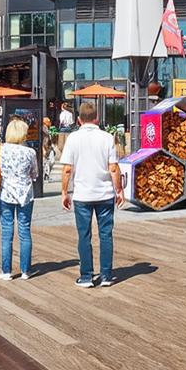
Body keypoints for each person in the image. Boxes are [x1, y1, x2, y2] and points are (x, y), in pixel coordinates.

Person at [59, 99, 124, 288]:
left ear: (78, 120)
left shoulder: (73, 138)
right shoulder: (106, 137)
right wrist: (118, 190)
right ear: (97, 118)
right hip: (104, 194)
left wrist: (64, 192)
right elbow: (113, 167)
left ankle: (86, 276)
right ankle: (106, 275)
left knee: (84, 236)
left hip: (82, 195)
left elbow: (67, 170)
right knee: (106, 235)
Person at [0, 118, 39, 280]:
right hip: (25, 195)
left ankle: (6, 271)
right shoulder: (30, 152)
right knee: (24, 231)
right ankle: (26, 270)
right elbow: (35, 174)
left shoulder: (1, 149)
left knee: (7, 232)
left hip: (5, 193)